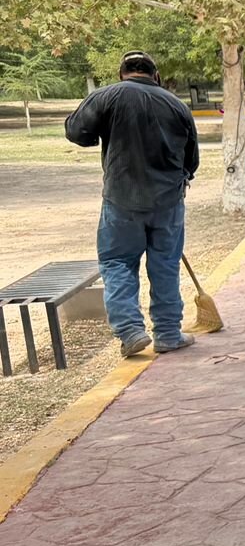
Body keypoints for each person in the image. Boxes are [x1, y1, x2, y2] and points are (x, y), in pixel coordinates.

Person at [65, 51, 200, 357]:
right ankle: (167, 333)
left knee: (117, 263)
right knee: (164, 265)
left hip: (121, 200)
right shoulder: (177, 105)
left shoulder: (106, 96)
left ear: (121, 73)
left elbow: (77, 132)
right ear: (157, 75)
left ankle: (130, 332)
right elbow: (192, 160)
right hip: (168, 201)